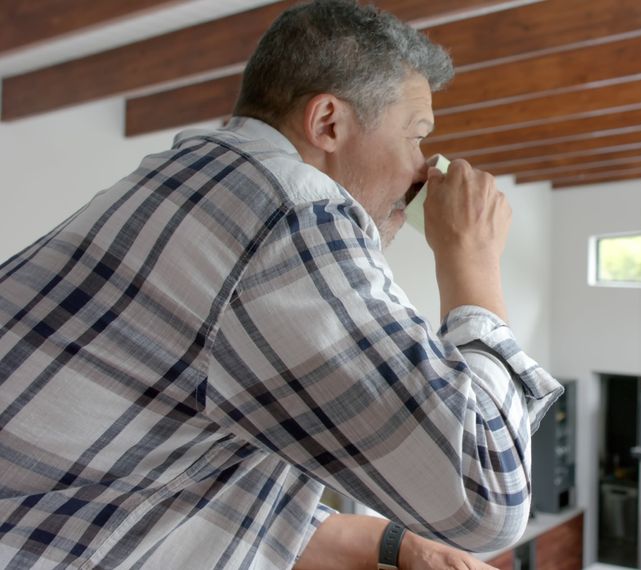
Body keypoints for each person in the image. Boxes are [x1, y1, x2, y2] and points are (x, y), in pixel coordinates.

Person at [0, 1, 562, 568]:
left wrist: (396, 545)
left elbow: (166, 488)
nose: (423, 168)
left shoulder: (188, 179)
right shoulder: (290, 212)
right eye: (416, 135)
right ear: (328, 124)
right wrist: (471, 257)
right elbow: (488, 496)